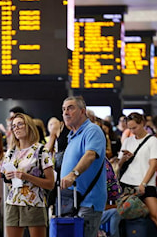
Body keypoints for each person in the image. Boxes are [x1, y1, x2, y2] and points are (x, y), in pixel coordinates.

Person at [59, 96, 107, 237]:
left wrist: (73, 174)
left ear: (82, 111)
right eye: (63, 109)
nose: (66, 112)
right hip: (72, 200)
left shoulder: (92, 130)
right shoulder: (72, 135)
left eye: (70, 108)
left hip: (88, 200)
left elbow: (90, 155)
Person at [1, 113, 54, 237]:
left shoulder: (41, 150)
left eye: (20, 124)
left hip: (34, 202)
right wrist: (8, 177)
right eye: (14, 126)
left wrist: (26, 176)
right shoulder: (11, 152)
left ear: (29, 126)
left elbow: (50, 183)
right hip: (12, 202)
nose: (16, 128)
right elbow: (5, 179)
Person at [118, 112, 157, 236]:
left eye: (135, 127)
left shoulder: (152, 141)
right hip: (127, 183)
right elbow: (119, 165)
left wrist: (143, 183)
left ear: (142, 123)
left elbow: (154, 165)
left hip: (146, 184)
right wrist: (124, 158)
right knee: (126, 217)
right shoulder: (128, 140)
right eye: (130, 128)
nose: (132, 131)